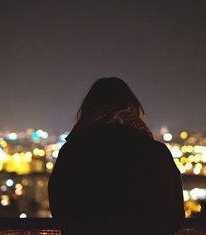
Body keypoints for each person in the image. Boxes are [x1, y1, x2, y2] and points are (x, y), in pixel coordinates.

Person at [48, 77, 185, 235]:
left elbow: (59, 212)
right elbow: (173, 215)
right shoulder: (155, 152)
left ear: (88, 110)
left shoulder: (71, 152)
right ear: (132, 109)